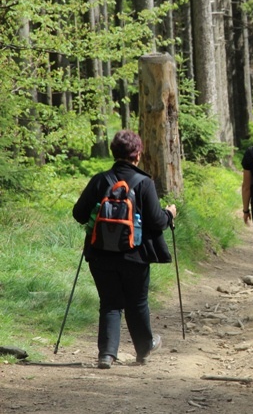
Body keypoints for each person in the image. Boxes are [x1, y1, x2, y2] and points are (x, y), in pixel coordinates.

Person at [72, 130, 177, 369]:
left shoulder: (100, 180)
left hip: (100, 254)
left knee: (109, 303)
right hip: (136, 255)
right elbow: (157, 222)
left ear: (113, 153)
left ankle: (107, 355)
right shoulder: (144, 182)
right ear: (137, 154)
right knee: (137, 302)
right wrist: (169, 213)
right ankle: (143, 349)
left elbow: (78, 214)